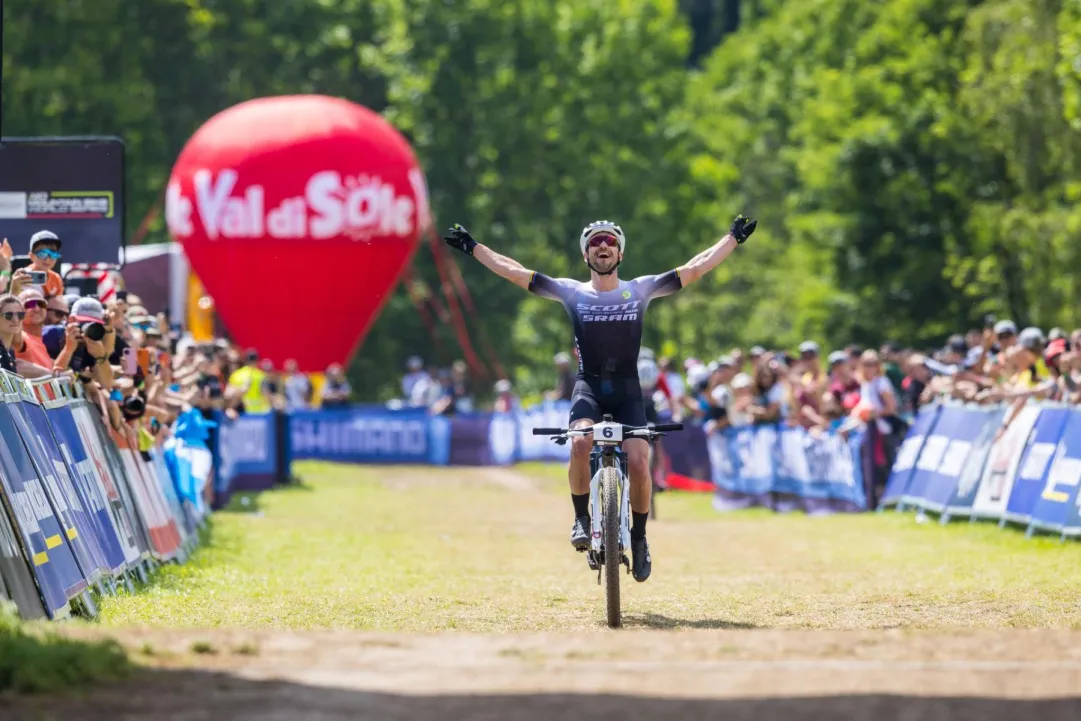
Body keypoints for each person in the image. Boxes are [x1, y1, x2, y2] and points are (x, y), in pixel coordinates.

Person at [443, 213, 757, 582]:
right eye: (594, 242)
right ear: (585, 255)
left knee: (640, 462)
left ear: (620, 254)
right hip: (589, 387)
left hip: (627, 391)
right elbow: (514, 271)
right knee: (580, 443)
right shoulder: (572, 292)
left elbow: (695, 268)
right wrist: (473, 247)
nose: (603, 246)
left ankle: (639, 540)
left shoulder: (640, 289)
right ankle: (580, 518)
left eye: (609, 242)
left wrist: (732, 239)